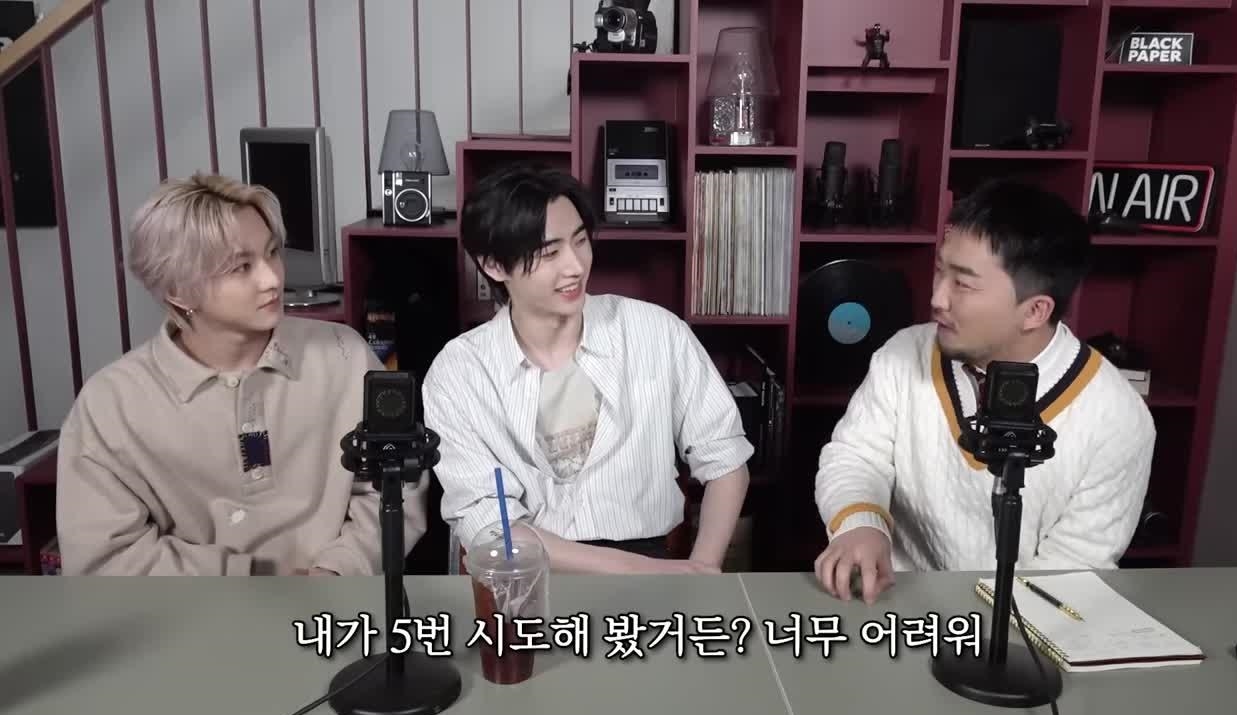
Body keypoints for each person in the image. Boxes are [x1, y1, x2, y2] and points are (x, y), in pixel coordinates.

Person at [55, 173, 427, 575]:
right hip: (191, 611)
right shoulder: (110, 404)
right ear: (179, 291)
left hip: (337, 602)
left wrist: (339, 571)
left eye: (273, 253)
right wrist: (250, 581)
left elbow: (397, 486)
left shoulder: (345, 355)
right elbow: (107, 557)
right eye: (241, 267)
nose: (272, 279)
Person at [813, 178, 1155, 602]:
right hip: (893, 603)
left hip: (1022, 623)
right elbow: (856, 456)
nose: (938, 298)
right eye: (941, 270)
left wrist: (973, 625)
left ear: (1035, 311)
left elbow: (1075, 565)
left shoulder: (1117, 416)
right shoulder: (904, 353)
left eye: (964, 284)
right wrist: (860, 526)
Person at [422, 163, 753, 574]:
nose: (576, 266)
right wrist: (647, 574)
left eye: (580, 241)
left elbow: (726, 460)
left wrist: (702, 567)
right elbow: (492, 526)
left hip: (654, 556)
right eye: (549, 253)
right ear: (494, 265)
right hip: (526, 573)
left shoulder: (655, 332)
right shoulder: (458, 372)